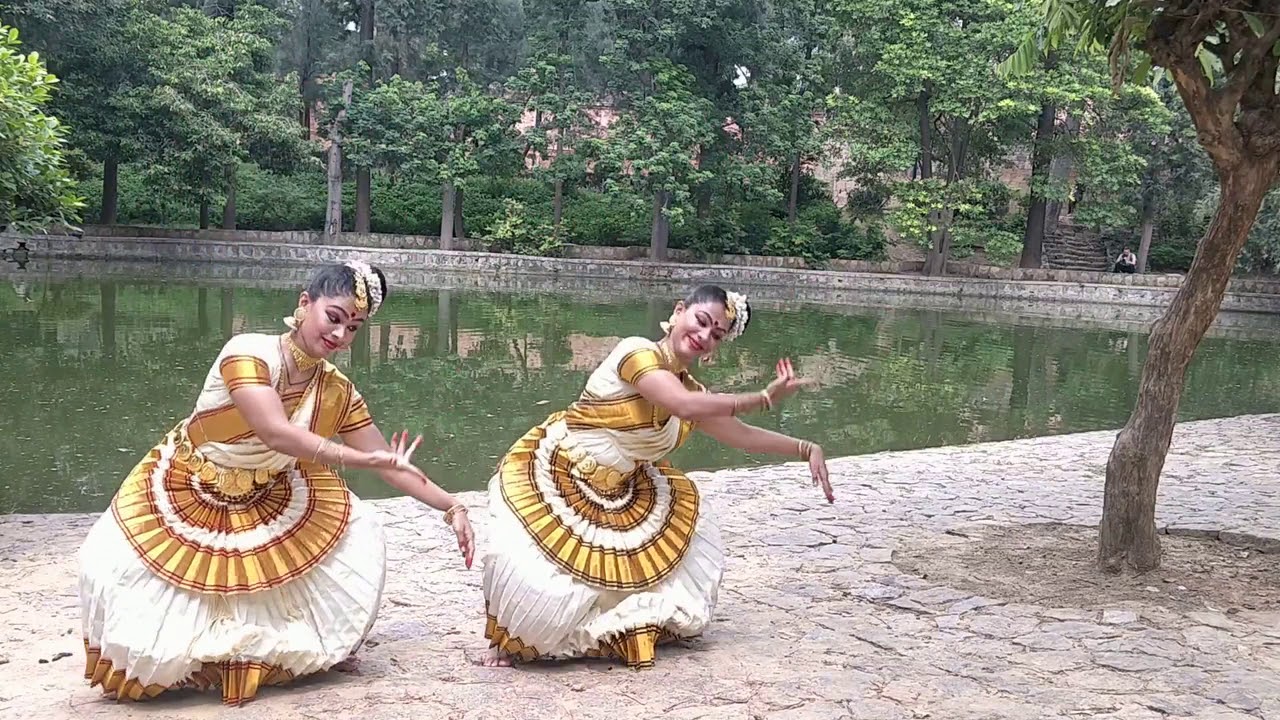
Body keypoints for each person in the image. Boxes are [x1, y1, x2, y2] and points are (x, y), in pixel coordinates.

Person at [77, 261, 476, 705]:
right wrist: (359, 457)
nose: (341, 335)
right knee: (138, 621)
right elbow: (274, 432)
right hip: (189, 484)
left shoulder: (338, 391)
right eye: (335, 317)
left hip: (267, 492)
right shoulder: (246, 353)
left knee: (359, 530)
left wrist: (451, 506)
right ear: (305, 304)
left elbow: (389, 464)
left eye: (354, 328)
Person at [478, 284, 833, 669]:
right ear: (679, 311)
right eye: (701, 321)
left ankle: (603, 627)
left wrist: (804, 447)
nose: (703, 336)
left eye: (716, 335)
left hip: (618, 491)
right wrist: (762, 397)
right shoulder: (636, 352)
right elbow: (679, 404)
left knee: (678, 549)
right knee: (529, 611)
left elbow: (740, 433)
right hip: (561, 474)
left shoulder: (694, 390)